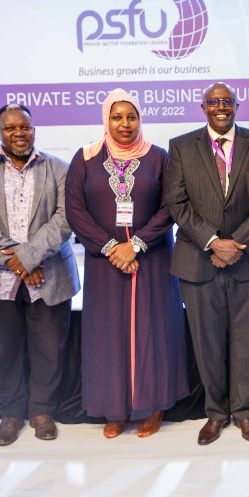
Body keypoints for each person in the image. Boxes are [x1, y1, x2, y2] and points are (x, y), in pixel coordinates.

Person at [65, 89, 189, 438]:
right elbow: (75, 210)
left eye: (131, 117)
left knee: (154, 329)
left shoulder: (159, 156)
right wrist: (112, 249)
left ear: (140, 120)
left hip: (152, 259)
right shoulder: (85, 158)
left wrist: (135, 245)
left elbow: (171, 207)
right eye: (117, 117)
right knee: (109, 332)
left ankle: (153, 405)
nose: (125, 124)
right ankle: (115, 408)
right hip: (105, 263)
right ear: (106, 120)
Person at [166, 83, 249, 445]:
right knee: (207, 342)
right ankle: (216, 413)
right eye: (214, 102)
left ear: (236, 106)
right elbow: (177, 203)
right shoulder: (181, 147)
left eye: (226, 101)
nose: (221, 107)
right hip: (199, 260)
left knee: (245, 339)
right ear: (203, 107)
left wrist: (238, 244)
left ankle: (244, 412)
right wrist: (214, 243)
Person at [0, 104, 80, 446]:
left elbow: (65, 220)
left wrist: (28, 259)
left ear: (33, 130)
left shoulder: (59, 169)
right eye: (11, 128)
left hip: (49, 275)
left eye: (25, 127)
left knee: (49, 348)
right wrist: (17, 262)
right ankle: (11, 413)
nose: (19, 133)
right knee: (1, 351)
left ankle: (42, 411)